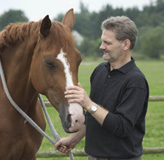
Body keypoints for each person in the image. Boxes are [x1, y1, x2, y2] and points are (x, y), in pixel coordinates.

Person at [55, 16, 149, 160]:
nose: (101, 46)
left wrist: (88, 104)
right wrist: (74, 139)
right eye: (102, 41)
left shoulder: (136, 81)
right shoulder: (100, 71)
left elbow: (122, 127)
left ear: (125, 44)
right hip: (94, 156)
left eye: (107, 43)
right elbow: (96, 116)